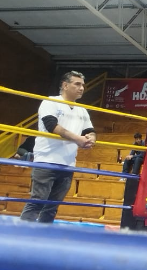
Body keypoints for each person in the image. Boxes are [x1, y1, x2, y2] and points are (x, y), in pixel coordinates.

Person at [20, 71, 96, 223]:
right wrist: (78, 139)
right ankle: (22, 237)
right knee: (38, 201)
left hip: (68, 163)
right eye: (77, 84)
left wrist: (90, 139)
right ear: (65, 85)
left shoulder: (82, 110)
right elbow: (51, 126)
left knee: (52, 206)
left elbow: (89, 130)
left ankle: (43, 237)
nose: (81, 88)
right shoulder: (50, 102)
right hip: (46, 160)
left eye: (83, 85)